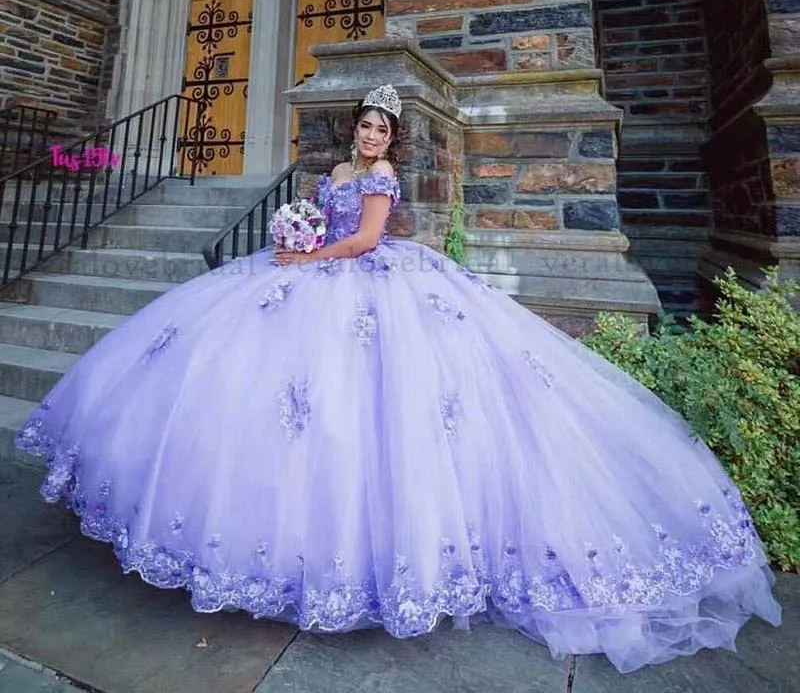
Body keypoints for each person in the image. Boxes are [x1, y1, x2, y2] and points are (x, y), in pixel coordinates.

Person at [16, 84, 781, 674]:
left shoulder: (379, 180)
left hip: (366, 282)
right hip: (312, 274)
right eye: (365, 124)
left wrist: (306, 256)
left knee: (374, 410)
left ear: (394, 140)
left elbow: (364, 242)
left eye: (382, 128)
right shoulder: (337, 169)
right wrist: (297, 230)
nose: (370, 135)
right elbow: (322, 222)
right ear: (353, 127)